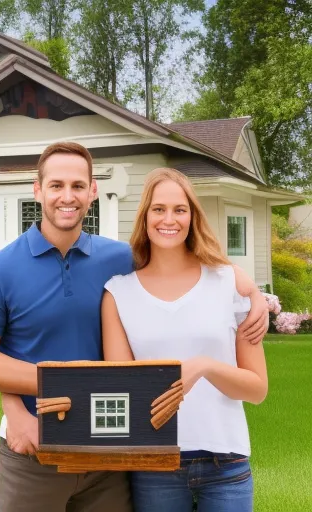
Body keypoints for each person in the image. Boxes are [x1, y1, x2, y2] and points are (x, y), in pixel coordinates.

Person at [0, 144, 268, 512]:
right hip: (33, 440)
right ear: (37, 190)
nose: (67, 196)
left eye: (77, 185)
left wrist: (252, 290)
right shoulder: (0, 268)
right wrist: (16, 409)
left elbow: (178, 257)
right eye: (56, 185)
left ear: (92, 191)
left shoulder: (120, 262)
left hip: (108, 447)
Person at [102, 167, 268, 512]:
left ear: (193, 217)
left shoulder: (230, 282)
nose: (169, 219)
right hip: (155, 465)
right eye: (158, 209)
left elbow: (256, 389)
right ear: (145, 216)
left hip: (227, 462)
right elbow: (121, 391)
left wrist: (204, 367)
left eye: (180, 209)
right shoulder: (118, 294)